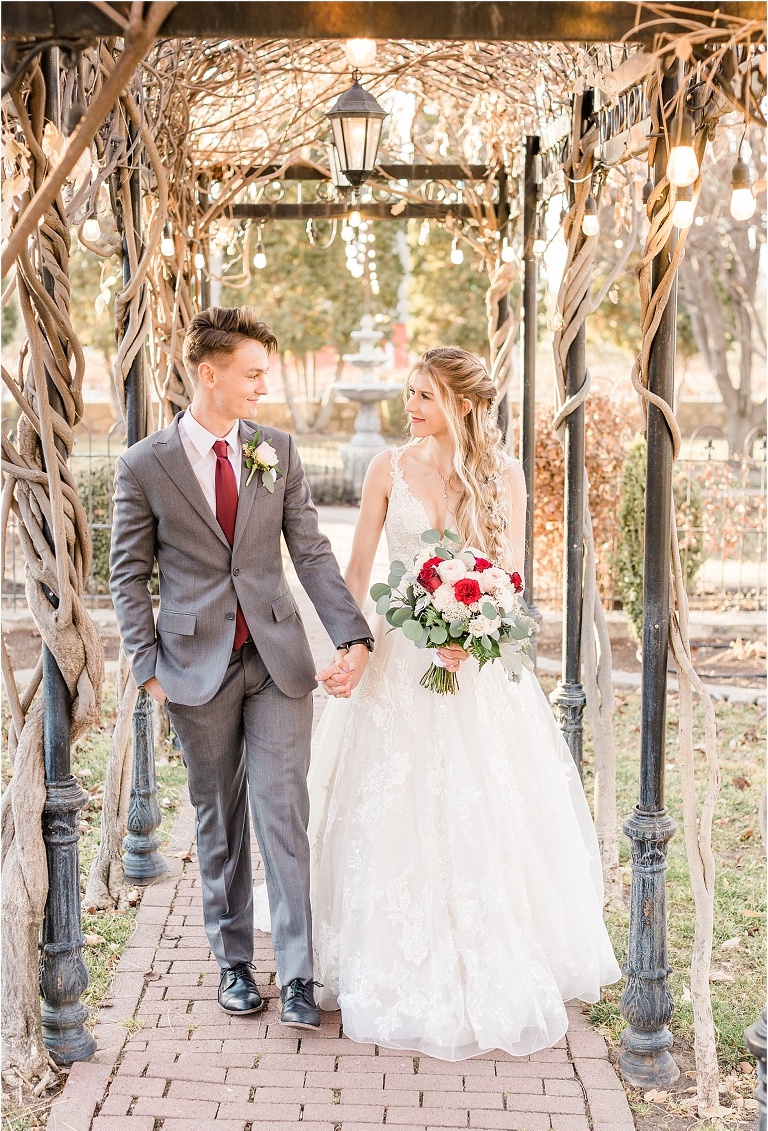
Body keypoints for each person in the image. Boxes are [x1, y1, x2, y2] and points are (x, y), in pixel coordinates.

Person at [256, 346, 620, 1060]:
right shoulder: (386, 469)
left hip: (472, 665)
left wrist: (475, 638)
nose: (411, 406)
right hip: (397, 652)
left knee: (481, 802)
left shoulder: (501, 475)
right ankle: (381, 948)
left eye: (425, 395)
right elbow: (358, 568)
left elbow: (508, 577)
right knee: (392, 799)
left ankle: (483, 949)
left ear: (462, 403)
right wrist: (349, 644)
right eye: (410, 392)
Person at [109, 306, 373, 1029]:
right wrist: (146, 667)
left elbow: (312, 554)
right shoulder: (144, 466)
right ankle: (232, 963)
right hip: (193, 666)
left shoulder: (276, 450)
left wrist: (352, 635)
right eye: (252, 373)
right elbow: (128, 575)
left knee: (284, 814)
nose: (263, 386)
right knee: (218, 819)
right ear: (210, 372)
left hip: (279, 661)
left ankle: (296, 974)